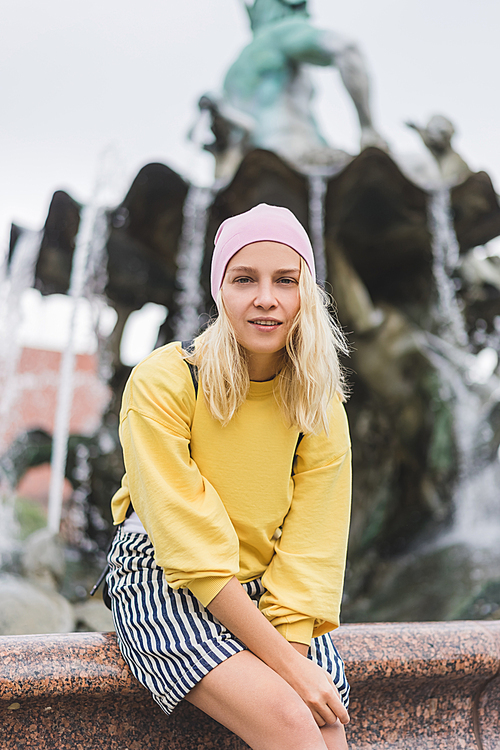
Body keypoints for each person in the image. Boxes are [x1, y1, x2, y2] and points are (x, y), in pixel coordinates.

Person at [106, 203, 352, 750]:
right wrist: (288, 669)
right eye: (245, 279)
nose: (265, 297)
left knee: (328, 732)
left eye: (284, 281)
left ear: (304, 295)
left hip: (267, 582)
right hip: (164, 574)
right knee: (291, 723)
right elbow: (190, 548)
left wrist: (295, 656)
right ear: (221, 291)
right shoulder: (166, 381)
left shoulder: (318, 401)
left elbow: (314, 543)